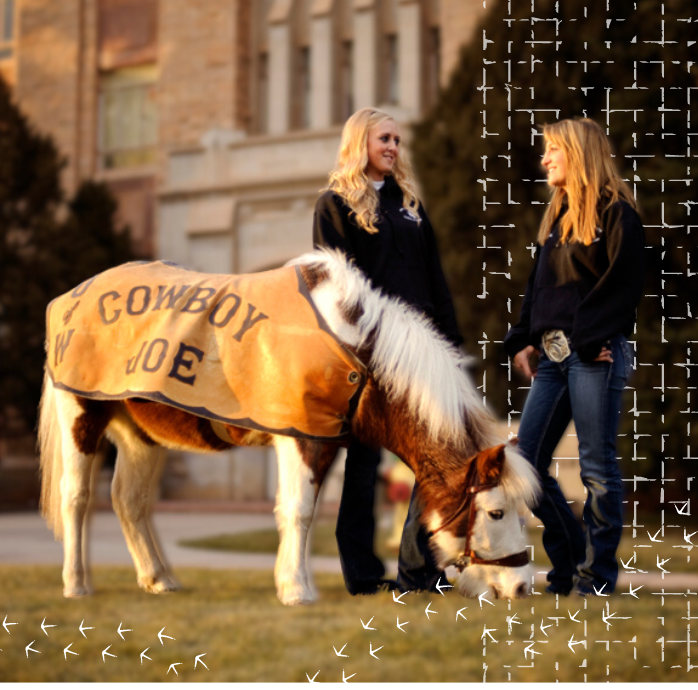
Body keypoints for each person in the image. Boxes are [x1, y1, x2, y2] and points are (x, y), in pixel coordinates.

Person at [313, 107, 463, 594]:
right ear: (361, 142)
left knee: (435, 456)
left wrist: (450, 340)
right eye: (384, 138)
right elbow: (335, 284)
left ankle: (421, 569)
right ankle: (363, 575)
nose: (393, 147)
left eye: (397, 139)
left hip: (424, 349)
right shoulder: (334, 204)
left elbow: (434, 276)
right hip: (372, 353)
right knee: (363, 465)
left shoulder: (409, 204)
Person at [504, 118, 645, 596]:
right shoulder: (557, 217)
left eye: (552, 151)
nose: (544, 159)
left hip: (595, 355)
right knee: (527, 462)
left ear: (577, 154)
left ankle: (596, 578)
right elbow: (538, 288)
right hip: (554, 356)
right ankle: (567, 564)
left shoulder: (617, 213)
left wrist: (589, 336)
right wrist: (524, 336)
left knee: (596, 468)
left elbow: (622, 287)